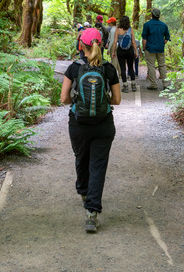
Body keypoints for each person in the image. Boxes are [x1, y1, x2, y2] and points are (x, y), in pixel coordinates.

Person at [60, 27, 121, 233]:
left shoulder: (74, 68)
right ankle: (92, 213)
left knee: (81, 157)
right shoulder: (109, 69)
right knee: (98, 166)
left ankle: (84, 191)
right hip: (103, 124)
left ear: (82, 46)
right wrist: (102, 101)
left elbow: (64, 99)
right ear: (101, 45)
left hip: (78, 124)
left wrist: (79, 100)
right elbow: (117, 100)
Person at [141, 8, 170, 90]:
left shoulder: (147, 25)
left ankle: (153, 84)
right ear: (159, 15)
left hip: (150, 48)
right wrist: (161, 43)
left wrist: (144, 48)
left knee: (151, 66)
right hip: (160, 48)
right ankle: (165, 84)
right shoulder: (164, 25)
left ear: (152, 15)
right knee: (162, 65)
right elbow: (167, 38)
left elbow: (144, 38)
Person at [110, 16, 138, 93]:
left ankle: (125, 86)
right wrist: (136, 51)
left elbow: (115, 42)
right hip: (129, 51)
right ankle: (133, 85)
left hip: (120, 51)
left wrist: (113, 52)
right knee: (131, 68)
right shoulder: (130, 30)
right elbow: (133, 42)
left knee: (122, 68)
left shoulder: (118, 30)